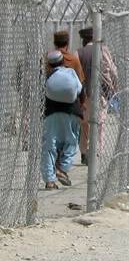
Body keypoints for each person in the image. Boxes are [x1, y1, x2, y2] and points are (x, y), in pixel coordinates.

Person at [76, 27, 118, 165]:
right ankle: (97, 151)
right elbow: (111, 70)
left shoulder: (79, 52)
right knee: (99, 124)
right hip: (100, 93)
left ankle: (84, 151)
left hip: (82, 94)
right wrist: (114, 86)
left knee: (84, 124)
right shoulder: (102, 50)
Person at [42, 51, 83, 189]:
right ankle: (63, 170)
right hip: (72, 112)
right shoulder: (71, 72)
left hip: (51, 113)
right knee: (71, 142)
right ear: (63, 61)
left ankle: (49, 180)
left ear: (49, 64)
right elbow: (79, 90)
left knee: (49, 146)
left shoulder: (47, 76)